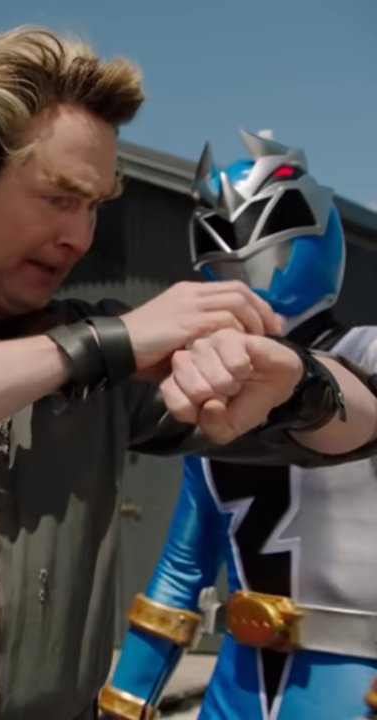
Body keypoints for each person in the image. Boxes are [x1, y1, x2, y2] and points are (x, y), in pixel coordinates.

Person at [0, 25, 377, 720]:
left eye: (94, 206)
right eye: (58, 198)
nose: (80, 237)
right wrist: (98, 349)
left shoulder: (111, 349)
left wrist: (297, 382)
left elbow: (356, 428)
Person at [101, 132, 377, 719]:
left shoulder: (368, 356)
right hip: (238, 686)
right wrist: (122, 705)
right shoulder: (214, 385)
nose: (239, 249)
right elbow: (182, 571)